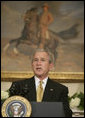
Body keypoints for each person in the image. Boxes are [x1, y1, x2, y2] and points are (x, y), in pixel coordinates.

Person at [9, 48, 72, 117]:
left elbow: (67, 114)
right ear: (32, 65)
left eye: (42, 60)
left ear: (50, 66)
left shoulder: (60, 89)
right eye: (35, 60)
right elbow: (9, 110)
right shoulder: (19, 86)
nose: (38, 63)